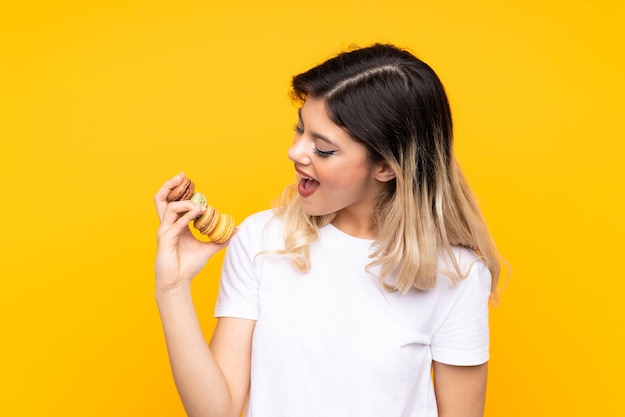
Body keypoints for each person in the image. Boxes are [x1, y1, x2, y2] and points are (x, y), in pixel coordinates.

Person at [154, 43, 503, 417]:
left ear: (385, 167)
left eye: (323, 149)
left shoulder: (457, 273)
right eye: (299, 130)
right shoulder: (261, 241)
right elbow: (215, 413)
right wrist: (172, 289)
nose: (296, 152)